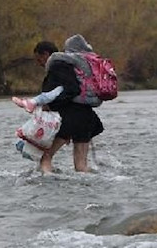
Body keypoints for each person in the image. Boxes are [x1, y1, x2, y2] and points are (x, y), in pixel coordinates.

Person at [13, 35, 104, 173]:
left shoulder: (58, 66)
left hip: (71, 118)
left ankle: (47, 184)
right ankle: (93, 186)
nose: (39, 63)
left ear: (46, 54)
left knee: (45, 156)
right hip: (86, 117)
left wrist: (51, 106)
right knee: (81, 167)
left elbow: (72, 90)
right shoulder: (72, 66)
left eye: (39, 59)